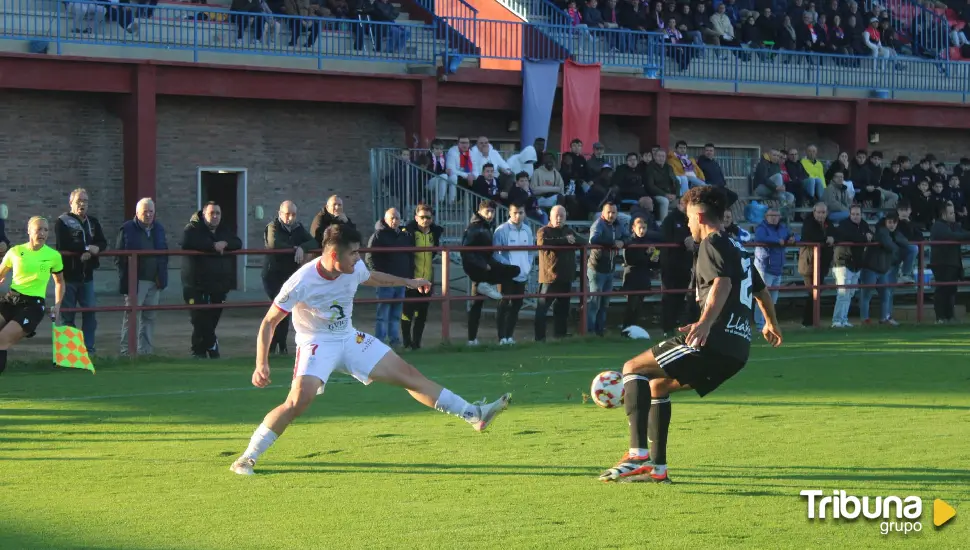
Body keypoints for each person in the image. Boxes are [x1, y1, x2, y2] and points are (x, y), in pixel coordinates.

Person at [229, 224, 512, 475]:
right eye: (353, 253)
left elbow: (372, 277)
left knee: (409, 375)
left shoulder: (353, 268)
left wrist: (409, 282)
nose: (358, 258)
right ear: (332, 256)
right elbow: (269, 322)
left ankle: (474, 414)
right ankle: (246, 458)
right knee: (297, 403)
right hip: (317, 344)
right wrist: (261, 363)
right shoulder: (301, 281)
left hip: (349, 339)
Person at [599, 187, 783, 484]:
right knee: (658, 386)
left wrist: (706, 322)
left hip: (712, 340)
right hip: (737, 351)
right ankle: (657, 470)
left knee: (633, 369)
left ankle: (637, 455)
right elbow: (760, 290)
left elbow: (721, 284)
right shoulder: (738, 248)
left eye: (688, 219)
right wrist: (771, 323)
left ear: (699, 216)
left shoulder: (711, 244)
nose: (687, 225)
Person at [0, 217, 66, 375]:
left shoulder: (53, 256)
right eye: (38, 229)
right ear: (29, 231)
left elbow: (60, 283)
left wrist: (57, 305)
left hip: (33, 305)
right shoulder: (15, 251)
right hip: (11, 299)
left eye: (45, 230)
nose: (42, 233)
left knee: (2, 340)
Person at [181, 202, 243, 358]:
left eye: (218, 213)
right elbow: (187, 242)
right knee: (199, 317)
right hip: (196, 283)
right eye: (211, 213)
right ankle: (209, 347)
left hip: (219, 283)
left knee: (213, 317)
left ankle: (200, 350)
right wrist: (212, 246)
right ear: (204, 214)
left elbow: (238, 242)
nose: (215, 216)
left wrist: (225, 243)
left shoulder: (224, 230)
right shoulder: (193, 228)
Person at [55, 188, 108, 354]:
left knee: (90, 313)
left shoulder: (93, 222)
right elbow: (63, 245)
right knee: (67, 315)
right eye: (79, 201)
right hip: (68, 276)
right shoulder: (62, 221)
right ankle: (70, 355)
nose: (82, 204)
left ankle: (88, 350)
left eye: (85, 201)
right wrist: (85, 249)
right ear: (71, 203)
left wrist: (96, 248)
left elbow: (102, 242)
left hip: (87, 276)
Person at [262, 201, 316, 355]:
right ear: (280, 213)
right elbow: (274, 243)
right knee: (277, 309)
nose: (290, 218)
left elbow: (313, 241)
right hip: (273, 275)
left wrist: (302, 248)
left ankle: (281, 345)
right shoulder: (273, 226)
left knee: (286, 310)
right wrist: (295, 248)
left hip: (289, 275)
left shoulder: (298, 228)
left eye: (293, 214)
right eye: (287, 214)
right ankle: (273, 345)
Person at [116, 198, 169, 356]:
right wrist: (126, 278)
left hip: (154, 280)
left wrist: (162, 275)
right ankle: (127, 351)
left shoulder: (158, 228)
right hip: (136, 280)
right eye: (145, 211)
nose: (148, 214)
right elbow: (119, 256)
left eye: (151, 211)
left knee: (150, 316)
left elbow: (164, 252)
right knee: (131, 316)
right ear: (137, 213)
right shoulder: (127, 228)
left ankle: (145, 351)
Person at [400, 204, 443, 350]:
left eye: (428, 217)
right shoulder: (408, 233)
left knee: (422, 314)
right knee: (407, 313)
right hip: (412, 279)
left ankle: (416, 344)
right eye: (422, 217)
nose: (425, 220)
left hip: (427, 280)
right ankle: (406, 342)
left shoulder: (434, 233)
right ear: (416, 217)